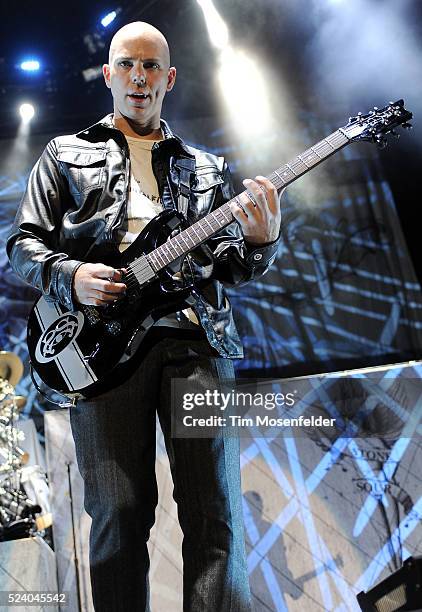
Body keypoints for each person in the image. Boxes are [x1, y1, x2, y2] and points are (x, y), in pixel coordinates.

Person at [7, 21, 283, 612]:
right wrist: (72, 275)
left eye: (151, 65)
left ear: (169, 78)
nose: (139, 76)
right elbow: (19, 248)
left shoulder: (207, 168)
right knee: (118, 513)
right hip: (100, 346)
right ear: (108, 74)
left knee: (215, 513)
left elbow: (230, 268)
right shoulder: (63, 154)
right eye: (127, 64)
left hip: (196, 337)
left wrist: (261, 242)